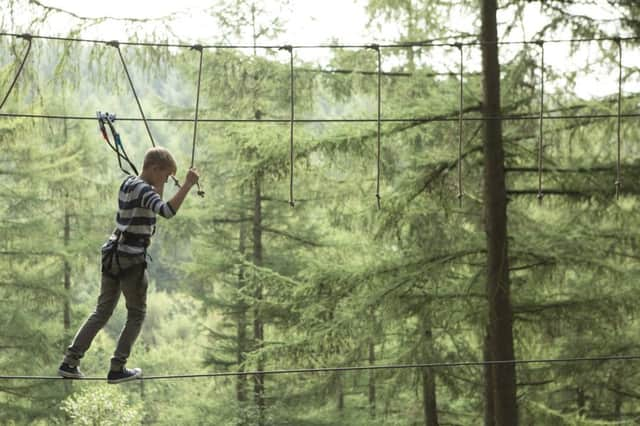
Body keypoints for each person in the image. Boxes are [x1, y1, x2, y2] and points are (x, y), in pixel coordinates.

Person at [58, 147, 199, 384]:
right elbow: (166, 211)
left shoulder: (129, 183)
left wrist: (164, 180)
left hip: (112, 252)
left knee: (101, 312)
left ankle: (70, 362)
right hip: (131, 258)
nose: (165, 180)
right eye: (165, 176)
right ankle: (117, 368)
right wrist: (187, 185)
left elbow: (153, 202)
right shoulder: (145, 191)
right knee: (136, 313)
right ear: (154, 169)